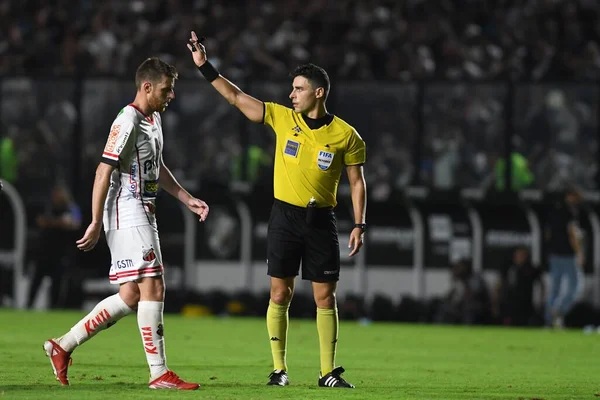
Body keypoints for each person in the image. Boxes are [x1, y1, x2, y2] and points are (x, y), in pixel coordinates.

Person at [187, 31, 366, 389]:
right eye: (292, 88)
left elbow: (357, 182)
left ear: (319, 92)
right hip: (284, 217)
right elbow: (236, 97)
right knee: (279, 294)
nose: (291, 94)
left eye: (298, 88)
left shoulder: (347, 135)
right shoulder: (282, 118)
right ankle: (278, 369)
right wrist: (206, 66)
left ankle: (327, 372)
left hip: (321, 221)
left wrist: (360, 223)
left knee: (324, 297)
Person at [43, 57, 209, 390]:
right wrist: (93, 221)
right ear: (146, 87)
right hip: (126, 210)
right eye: (166, 89)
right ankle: (159, 373)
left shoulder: (154, 118)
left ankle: (62, 345)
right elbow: (103, 170)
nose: (171, 96)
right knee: (155, 286)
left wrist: (185, 197)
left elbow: (156, 167)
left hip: (143, 210)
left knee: (131, 294)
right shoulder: (127, 120)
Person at [28, 184, 82, 309]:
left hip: (61, 252)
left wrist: (51, 223)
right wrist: (58, 222)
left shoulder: (71, 208)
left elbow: (74, 223)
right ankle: (29, 305)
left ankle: (54, 306)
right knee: (36, 280)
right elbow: (40, 221)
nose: (56, 197)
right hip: (44, 251)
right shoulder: (48, 207)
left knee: (57, 281)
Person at [545, 187, 584, 328]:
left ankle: (548, 321)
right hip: (567, 255)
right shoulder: (570, 211)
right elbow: (573, 233)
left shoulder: (554, 210)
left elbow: (548, 233)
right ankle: (558, 311)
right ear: (570, 196)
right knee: (576, 287)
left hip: (554, 254)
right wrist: (579, 252)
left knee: (554, 289)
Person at [492, 246, 545, 326]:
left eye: (522, 255)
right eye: (518, 255)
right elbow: (499, 283)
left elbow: (541, 284)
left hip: (526, 305)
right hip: (509, 304)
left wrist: (541, 300)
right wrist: (495, 301)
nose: (520, 257)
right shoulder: (508, 267)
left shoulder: (531, 269)